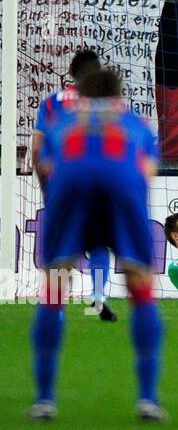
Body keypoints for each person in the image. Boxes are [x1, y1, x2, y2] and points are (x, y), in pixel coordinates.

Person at [29, 68, 163, 422]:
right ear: (119, 94)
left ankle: (44, 400)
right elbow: (147, 170)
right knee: (140, 286)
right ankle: (147, 400)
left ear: (81, 94)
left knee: (55, 287)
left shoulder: (63, 123)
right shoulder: (136, 124)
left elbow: (45, 163)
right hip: (122, 187)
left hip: (71, 187)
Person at [30, 49, 116, 321]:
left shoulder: (53, 102)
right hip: (97, 181)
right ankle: (98, 297)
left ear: (70, 74)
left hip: (63, 181)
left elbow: (36, 149)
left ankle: (55, 308)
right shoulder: (109, 104)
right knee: (99, 245)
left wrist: (47, 188)